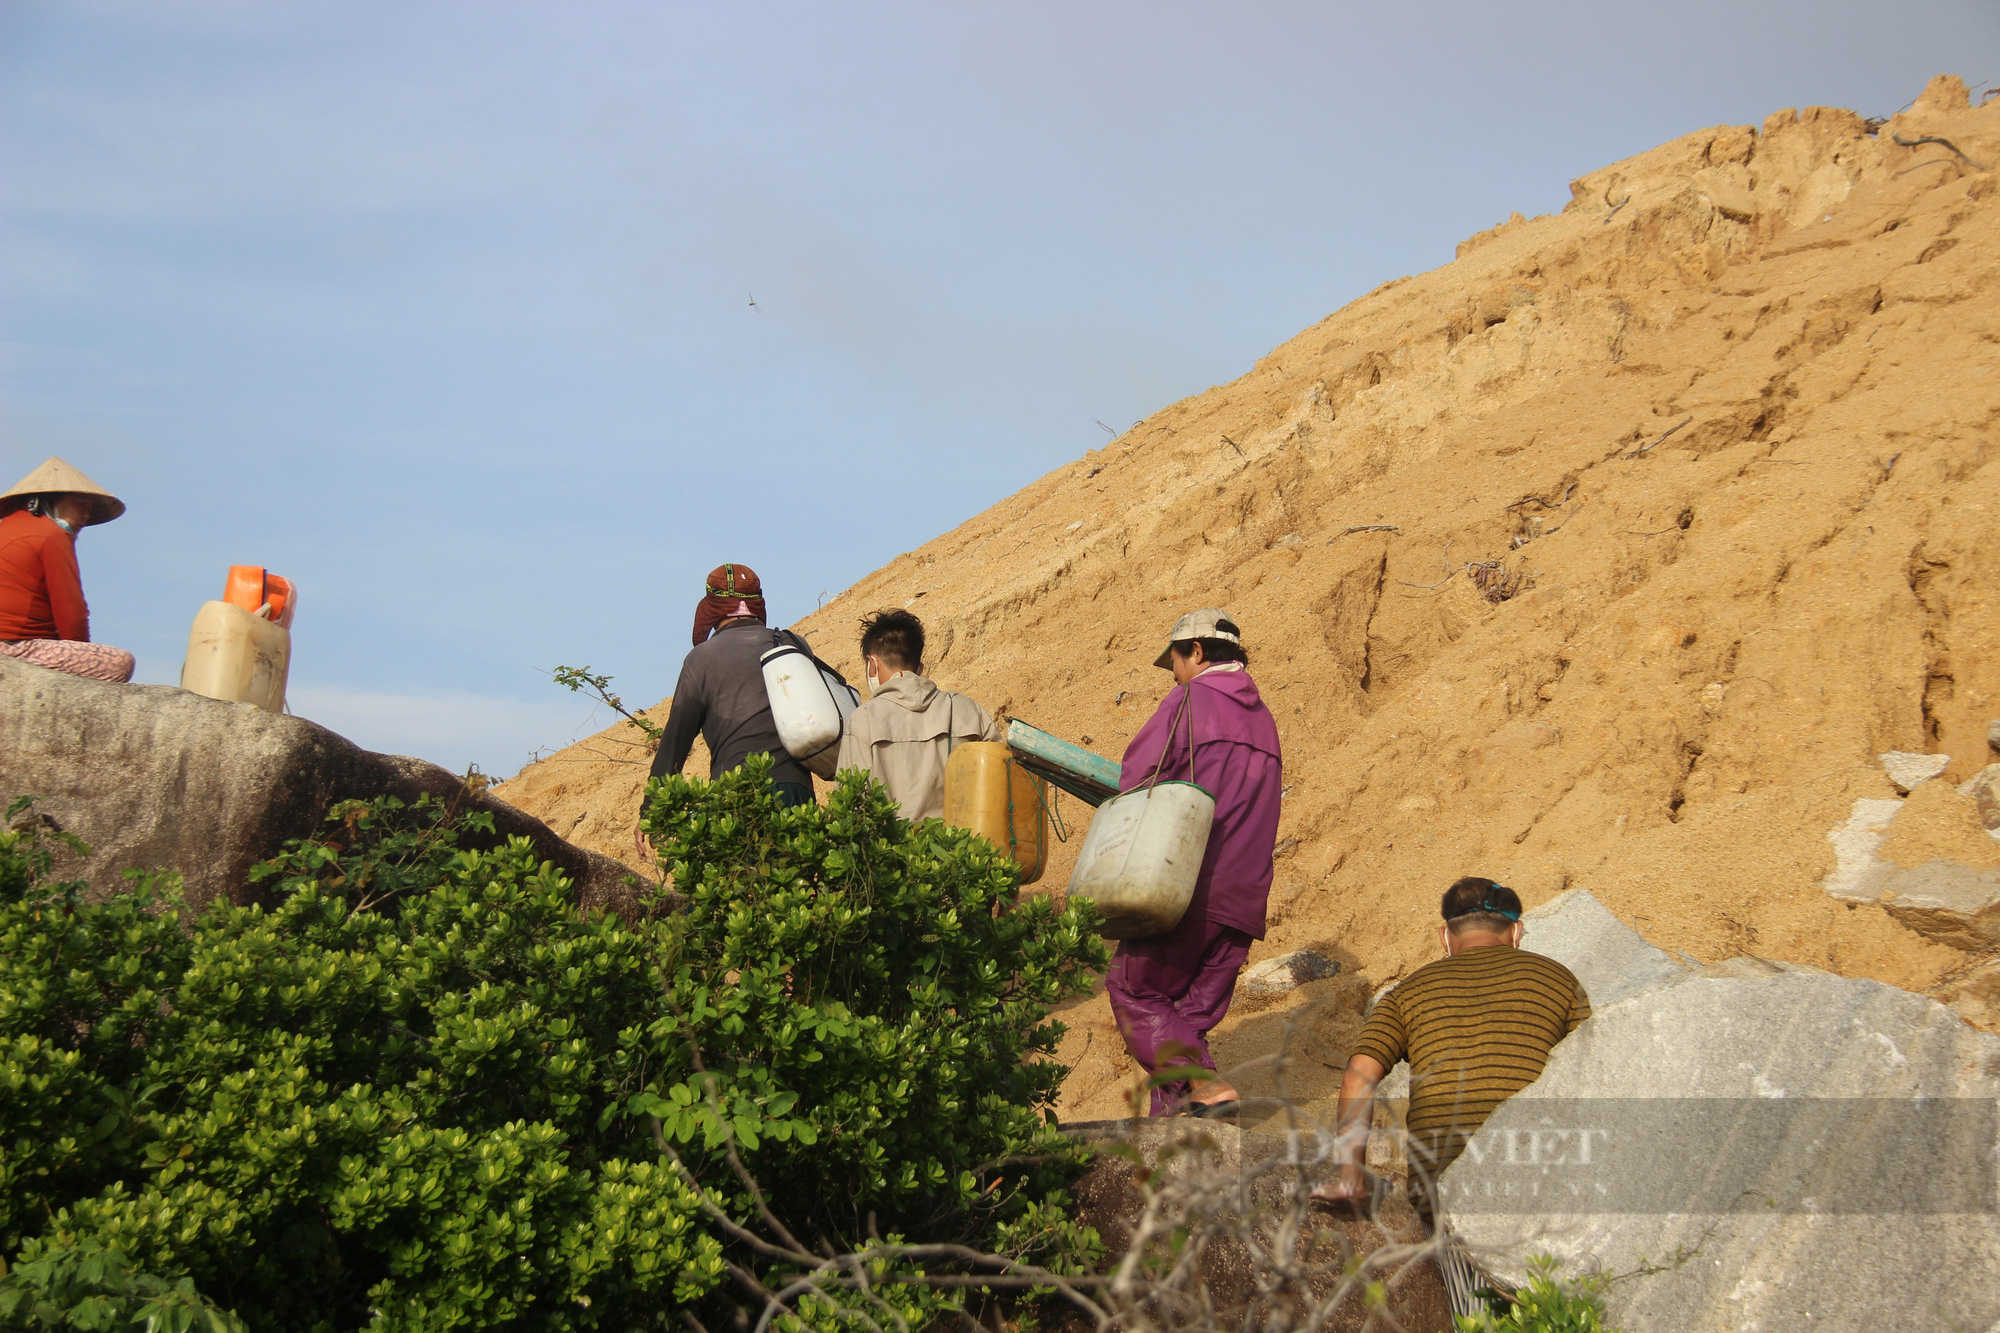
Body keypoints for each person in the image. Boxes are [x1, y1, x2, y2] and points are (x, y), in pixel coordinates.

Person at [1311, 878, 1591, 1316]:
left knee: (1477, 1317)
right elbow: (1594, 1065)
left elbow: (1359, 1075)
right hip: (1547, 1178)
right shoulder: (1558, 979)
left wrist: (1352, 1174)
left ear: (1445, 937)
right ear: (1515, 933)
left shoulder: (1407, 993)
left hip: (1446, 1194)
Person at [1104, 608, 1282, 1117]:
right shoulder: (1264, 720)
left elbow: (1136, 779)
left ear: (1197, 652)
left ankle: (1204, 1086)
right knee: (1184, 1019)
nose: (1175, 673)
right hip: (1244, 901)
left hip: (1189, 889)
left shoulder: (1190, 700)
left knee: (1134, 991)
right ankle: (1180, 1134)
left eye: (1176, 661)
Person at [641, 564, 815, 840]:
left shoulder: (702, 659)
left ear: (710, 607)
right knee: (796, 879)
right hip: (796, 791)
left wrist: (651, 812)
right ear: (758, 603)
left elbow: (675, 743)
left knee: (739, 879)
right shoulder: (794, 644)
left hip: (733, 794)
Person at [835, 608, 1001, 820]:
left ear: (873, 665)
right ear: (920, 667)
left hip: (892, 851)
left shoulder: (863, 719)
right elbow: (1002, 778)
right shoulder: (967, 709)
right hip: (964, 849)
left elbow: (850, 804)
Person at [0, 456, 135, 683]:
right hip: (15, 648)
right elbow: (71, 611)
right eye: (81, 505)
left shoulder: (7, 528)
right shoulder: (53, 535)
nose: (86, 515)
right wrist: (82, 654)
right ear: (50, 500)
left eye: (89, 509)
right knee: (119, 662)